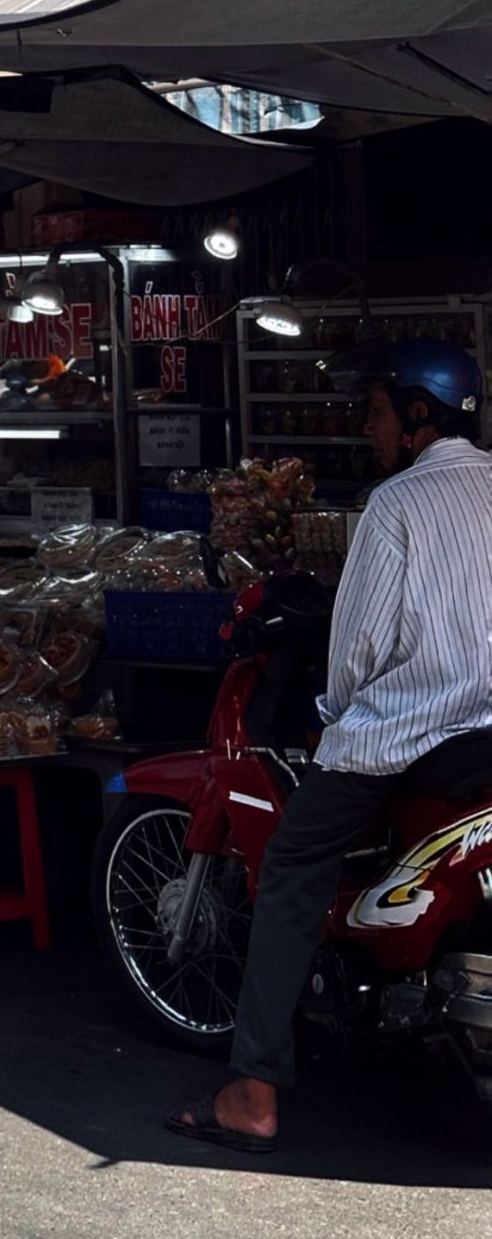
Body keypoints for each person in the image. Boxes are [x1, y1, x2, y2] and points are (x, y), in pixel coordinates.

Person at [169, 338, 492, 1154]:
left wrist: (333, 713)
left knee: (289, 870)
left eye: (379, 413)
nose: (371, 430)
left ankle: (252, 1092)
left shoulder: (397, 505)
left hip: (413, 729)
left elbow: (356, 650)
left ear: (418, 417)